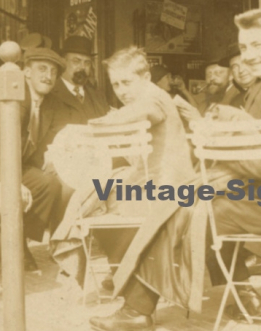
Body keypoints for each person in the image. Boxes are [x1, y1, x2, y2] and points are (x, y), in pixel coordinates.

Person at [90, 9, 261, 331]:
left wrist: (214, 140)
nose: (249, 56)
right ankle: (240, 293)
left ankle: (138, 309)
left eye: (257, 46)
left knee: (183, 211)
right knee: (190, 203)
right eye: (245, 47)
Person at [51, 47, 195, 281]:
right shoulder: (144, 99)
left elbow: (143, 112)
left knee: (93, 200)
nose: (122, 91)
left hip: (168, 188)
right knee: (96, 193)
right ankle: (122, 269)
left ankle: (122, 270)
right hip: (157, 183)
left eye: (127, 82)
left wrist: (95, 126)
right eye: (116, 85)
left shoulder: (154, 98)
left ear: (146, 78)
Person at [0, 47, 65, 280]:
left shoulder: (48, 104)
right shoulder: (10, 94)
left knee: (51, 184)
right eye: (42, 69)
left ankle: (18, 243)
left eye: (53, 72)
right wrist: (4, 181)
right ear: (26, 72)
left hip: (16, 167)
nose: (48, 75)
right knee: (9, 200)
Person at [50, 35, 109, 132]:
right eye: (76, 61)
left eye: (87, 63)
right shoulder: (50, 93)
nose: (82, 67)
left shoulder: (99, 97)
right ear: (63, 62)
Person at [216, 43, 256, 108]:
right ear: (231, 74)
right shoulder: (236, 102)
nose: (241, 70)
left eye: (245, 63)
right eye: (235, 67)